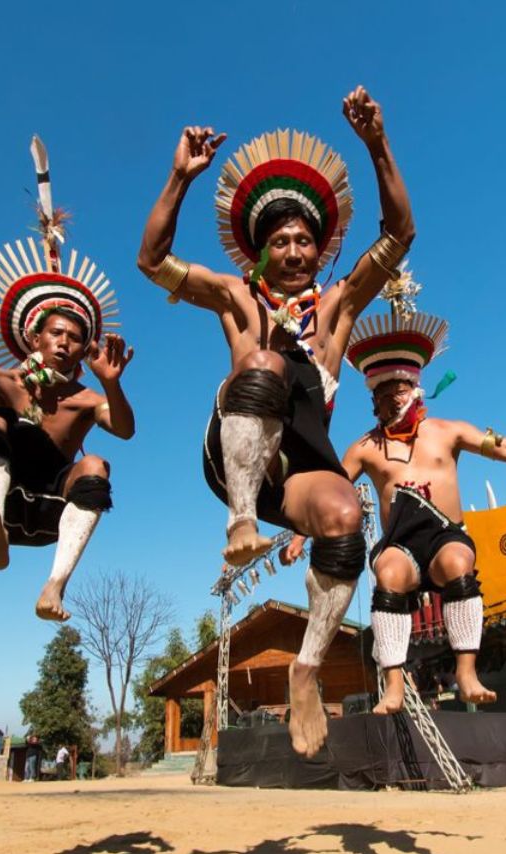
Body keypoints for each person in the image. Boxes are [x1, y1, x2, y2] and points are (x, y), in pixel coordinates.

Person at [138, 89, 415, 758]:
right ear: (259, 253)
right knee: (263, 362)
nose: (294, 249)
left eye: (305, 240)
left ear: (320, 251)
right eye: (281, 240)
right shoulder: (237, 297)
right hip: (235, 449)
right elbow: (151, 261)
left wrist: (377, 146)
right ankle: (238, 523)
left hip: (298, 470)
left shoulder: (339, 308)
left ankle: (307, 667)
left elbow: (400, 233)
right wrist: (179, 177)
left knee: (347, 515)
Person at [305, 303, 506, 713]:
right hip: (400, 543)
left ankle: (466, 671)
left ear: (415, 389)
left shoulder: (447, 431)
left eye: (397, 391)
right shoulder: (366, 447)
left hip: (444, 536)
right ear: (373, 401)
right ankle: (394, 685)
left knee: (458, 561)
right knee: (387, 572)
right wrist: (300, 535)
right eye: (382, 395)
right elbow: (330, 491)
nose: (390, 400)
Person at [0, 136, 136, 622]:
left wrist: (112, 384)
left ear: (84, 349)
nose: (64, 342)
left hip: (47, 514)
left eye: (74, 338)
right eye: (56, 333)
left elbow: (124, 429)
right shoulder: (3, 380)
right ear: (35, 339)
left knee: (98, 463)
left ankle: (54, 586)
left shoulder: (84, 399)